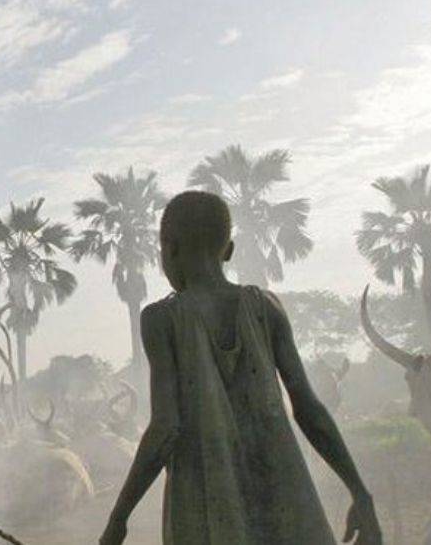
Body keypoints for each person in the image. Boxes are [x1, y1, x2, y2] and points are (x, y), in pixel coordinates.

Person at [100, 191, 382, 545]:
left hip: (207, 513)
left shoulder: (161, 320)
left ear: (168, 249)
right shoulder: (266, 307)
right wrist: (359, 491)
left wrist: (118, 519)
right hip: (286, 504)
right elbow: (309, 409)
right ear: (228, 250)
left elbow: (166, 427)